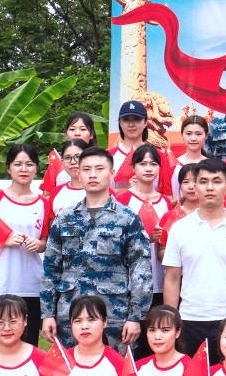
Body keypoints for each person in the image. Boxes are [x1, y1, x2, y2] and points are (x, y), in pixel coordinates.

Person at [41, 147, 153, 349]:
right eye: (86, 169)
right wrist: (47, 313)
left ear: (111, 173)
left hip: (114, 315)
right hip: (71, 315)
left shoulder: (128, 218)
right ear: (79, 173)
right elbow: (51, 268)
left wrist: (135, 316)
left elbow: (140, 270)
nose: (92, 175)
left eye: (99, 169)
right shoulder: (64, 218)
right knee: (71, 367)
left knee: (114, 368)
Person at [162, 158, 226, 361]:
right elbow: (172, 279)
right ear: (195, 187)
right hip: (189, 319)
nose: (210, 187)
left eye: (216, 181)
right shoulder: (179, 228)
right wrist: (172, 324)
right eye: (203, 181)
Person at [0, 144, 51, 346]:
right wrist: (5, 241)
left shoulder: (43, 203)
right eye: (18, 164)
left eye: (29, 164)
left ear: (36, 168)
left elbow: (45, 242)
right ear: (8, 168)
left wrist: (38, 245)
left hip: (30, 285)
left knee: (29, 344)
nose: (23, 169)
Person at [114, 144, 172, 338]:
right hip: (131, 284)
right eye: (143, 163)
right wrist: (146, 238)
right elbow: (116, 240)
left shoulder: (165, 202)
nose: (148, 168)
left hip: (161, 280)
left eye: (153, 164)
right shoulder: (122, 200)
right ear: (133, 167)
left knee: (157, 335)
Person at [110, 100, 171, 193]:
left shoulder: (159, 156)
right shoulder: (108, 156)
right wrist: (125, 190)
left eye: (137, 119)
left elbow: (167, 194)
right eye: (126, 120)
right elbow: (97, 194)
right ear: (120, 123)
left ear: (145, 122)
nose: (131, 124)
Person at [65, 295, 125, 376]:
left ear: (105, 322)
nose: (84, 326)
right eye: (78, 321)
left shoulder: (118, 363)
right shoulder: (62, 361)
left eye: (91, 320)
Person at [134, 305, 187, 376]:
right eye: (152, 330)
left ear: (177, 332)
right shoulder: (137, 368)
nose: (157, 337)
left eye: (165, 330)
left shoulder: (189, 368)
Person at [171, 115, 209, 199]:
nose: (193, 138)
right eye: (188, 134)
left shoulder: (213, 167)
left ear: (206, 136)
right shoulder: (172, 166)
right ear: (182, 135)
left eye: (198, 134)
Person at [48, 139, 90, 215]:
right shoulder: (56, 192)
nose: (73, 162)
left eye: (78, 156)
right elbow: (52, 221)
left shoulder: (103, 191)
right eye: (67, 157)